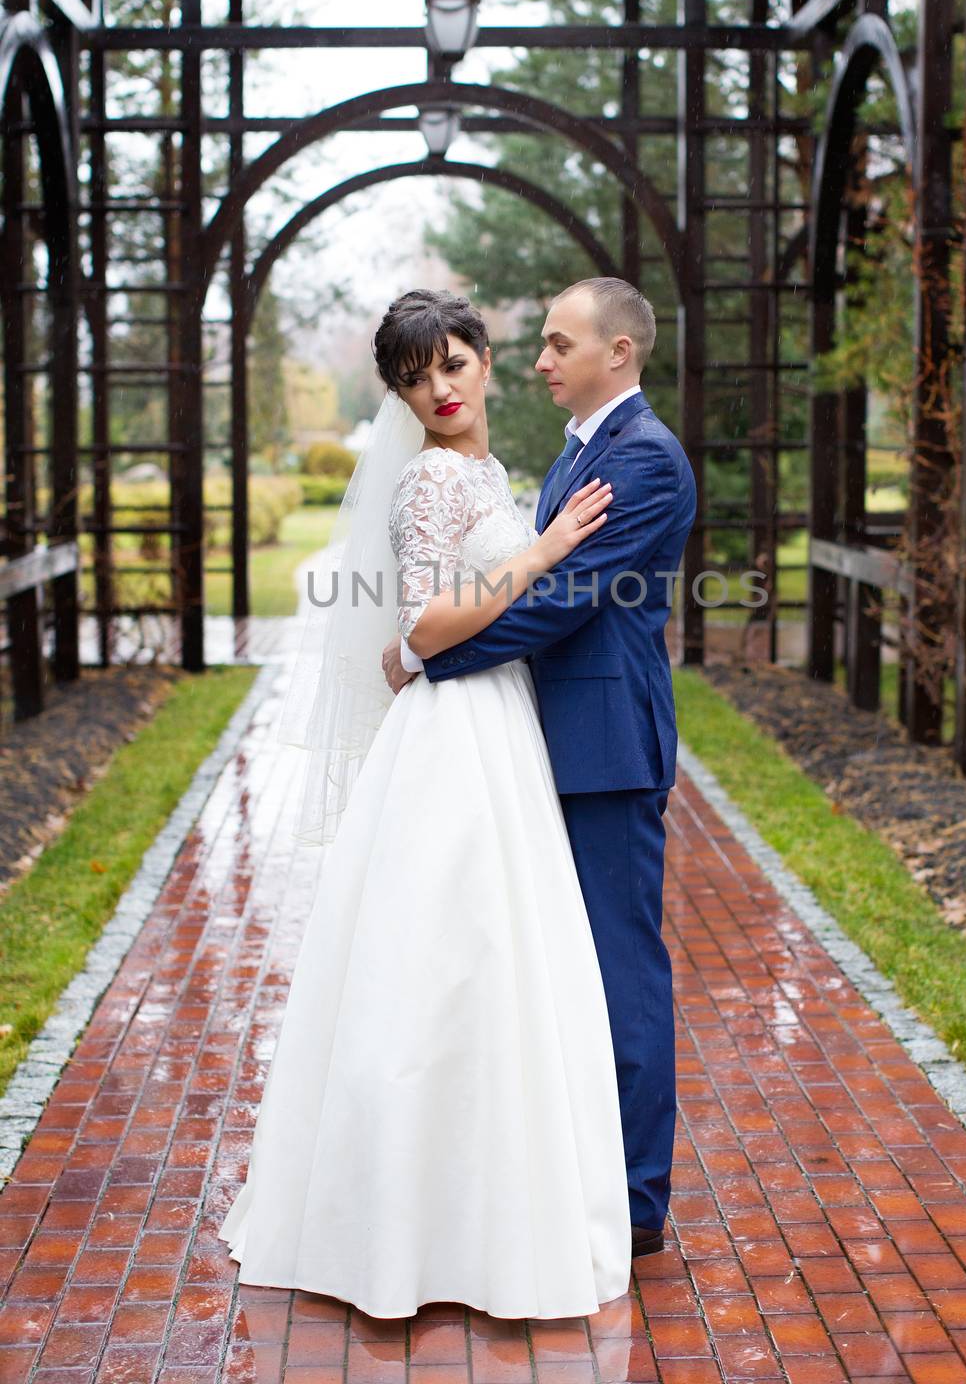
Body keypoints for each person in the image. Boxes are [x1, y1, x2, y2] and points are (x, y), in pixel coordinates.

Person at [218, 288, 634, 1320]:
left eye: (451, 364)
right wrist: (531, 559)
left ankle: (485, 1205)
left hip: (501, 726)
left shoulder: (488, 473)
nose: (438, 390)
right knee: (436, 958)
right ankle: (399, 1225)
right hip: (451, 734)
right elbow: (428, 625)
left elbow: (425, 637)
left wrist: (419, 643)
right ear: (400, 393)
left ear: (482, 360)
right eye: (415, 377)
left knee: (497, 959)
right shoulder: (425, 485)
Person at [383, 276, 698, 1256]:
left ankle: (637, 1202)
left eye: (559, 343)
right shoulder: (569, 454)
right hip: (538, 743)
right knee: (548, 965)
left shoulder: (642, 460)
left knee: (620, 969)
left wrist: (429, 654)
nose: (540, 360)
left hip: (601, 750)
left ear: (619, 352)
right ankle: (566, 1169)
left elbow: (565, 600)